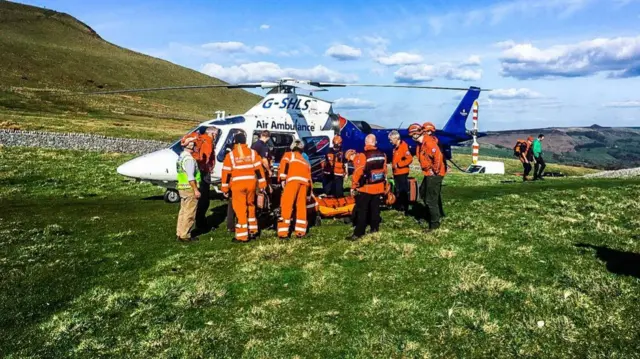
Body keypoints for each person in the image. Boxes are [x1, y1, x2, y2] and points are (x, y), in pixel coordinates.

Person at [221, 133, 267, 242]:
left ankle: (242, 236)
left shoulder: (231, 155)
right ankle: (253, 230)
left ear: (236, 142)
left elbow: (226, 173)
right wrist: (262, 184)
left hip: (237, 185)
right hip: (251, 183)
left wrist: (225, 188)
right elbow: (259, 170)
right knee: (251, 205)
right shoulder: (252, 153)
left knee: (240, 209)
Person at [347, 134, 387, 240]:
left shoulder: (363, 155)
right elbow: (384, 170)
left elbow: (358, 172)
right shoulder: (383, 154)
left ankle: (359, 232)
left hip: (366, 187)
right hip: (378, 186)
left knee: (362, 210)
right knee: (375, 209)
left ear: (366, 142)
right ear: (375, 142)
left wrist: (353, 186)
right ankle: (374, 228)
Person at [411, 122, 446, 231]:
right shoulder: (421, 144)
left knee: (431, 199)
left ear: (416, 134)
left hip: (434, 174)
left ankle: (434, 224)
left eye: (412, 134)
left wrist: (434, 171)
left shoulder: (428, 143)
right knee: (423, 192)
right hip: (429, 173)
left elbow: (438, 157)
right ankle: (431, 216)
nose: (411, 137)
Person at [277, 140, 313, 239]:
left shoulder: (289, 155)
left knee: (286, 205)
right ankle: (300, 232)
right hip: (304, 184)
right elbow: (310, 179)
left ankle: (283, 232)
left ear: (292, 148)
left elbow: (284, 166)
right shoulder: (305, 161)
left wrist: (283, 179)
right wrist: (309, 194)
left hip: (292, 182)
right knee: (301, 207)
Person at [175, 136, 201, 242]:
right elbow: (191, 177)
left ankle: (180, 232)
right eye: (194, 144)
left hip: (182, 187)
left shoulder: (181, 157)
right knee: (190, 212)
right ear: (191, 146)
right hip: (189, 188)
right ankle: (186, 235)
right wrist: (196, 190)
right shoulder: (189, 159)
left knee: (183, 211)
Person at [194, 127, 218, 231]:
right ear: (212, 134)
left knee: (202, 199)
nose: (215, 136)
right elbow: (207, 156)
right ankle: (201, 223)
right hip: (204, 173)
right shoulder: (208, 142)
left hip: (199, 172)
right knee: (204, 200)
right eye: (215, 134)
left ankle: (200, 221)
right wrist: (208, 167)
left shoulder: (200, 139)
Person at [389, 130, 413, 215]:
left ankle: (405, 207)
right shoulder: (395, 147)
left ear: (396, 138)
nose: (390, 141)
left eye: (391, 139)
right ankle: (400, 206)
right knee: (398, 190)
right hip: (396, 173)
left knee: (403, 190)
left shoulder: (403, 146)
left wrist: (399, 165)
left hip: (402, 172)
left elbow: (409, 159)